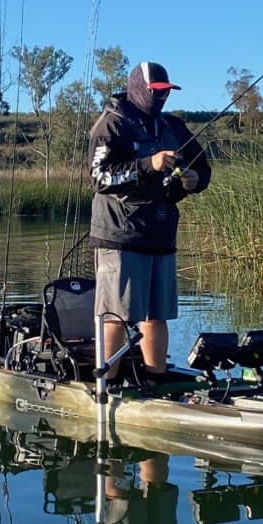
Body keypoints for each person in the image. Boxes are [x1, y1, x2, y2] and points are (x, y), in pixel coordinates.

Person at [88, 61, 211, 381]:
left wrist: (196, 179)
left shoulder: (174, 126)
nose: (162, 98)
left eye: (166, 92)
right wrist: (148, 164)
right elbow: (100, 179)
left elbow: (204, 169)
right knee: (116, 315)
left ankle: (156, 382)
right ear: (139, 89)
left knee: (157, 315)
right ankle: (108, 384)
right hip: (121, 235)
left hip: (161, 234)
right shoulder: (111, 124)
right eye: (156, 92)